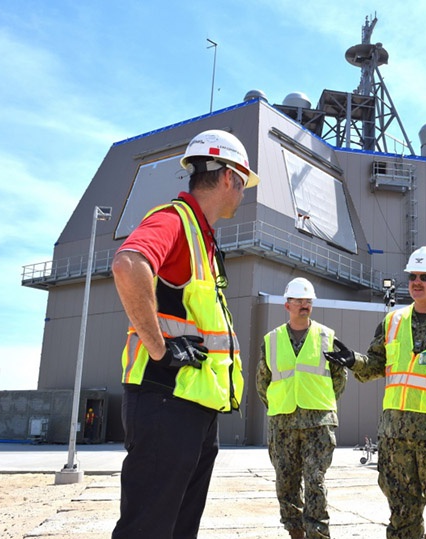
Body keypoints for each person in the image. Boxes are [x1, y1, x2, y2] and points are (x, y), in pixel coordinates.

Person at [111, 129, 259, 539]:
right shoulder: (174, 221)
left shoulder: (202, 238)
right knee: (149, 529)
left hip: (192, 406)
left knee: (178, 529)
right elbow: (128, 265)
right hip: (166, 401)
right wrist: (159, 348)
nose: (244, 192)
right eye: (243, 182)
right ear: (228, 176)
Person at [323, 246, 426, 539]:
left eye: (425, 276)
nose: (417, 282)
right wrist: (354, 361)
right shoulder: (392, 322)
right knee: (402, 516)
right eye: (413, 275)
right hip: (396, 435)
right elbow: (377, 365)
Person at [256, 277, 348, 539]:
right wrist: (279, 404)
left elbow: (339, 378)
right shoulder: (271, 340)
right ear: (287, 305)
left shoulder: (327, 337)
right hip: (282, 422)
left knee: (315, 480)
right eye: (298, 300)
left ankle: (318, 533)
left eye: (308, 300)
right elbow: (262, 382)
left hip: (318, 422)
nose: (304, 304)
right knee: (286, 482)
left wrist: (321, 403)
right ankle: (295, 531)